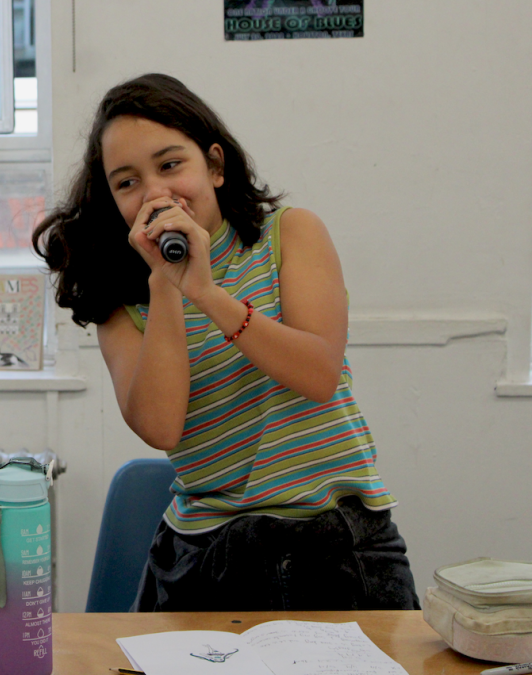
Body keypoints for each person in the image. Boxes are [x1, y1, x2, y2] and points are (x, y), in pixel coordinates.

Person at [33, 74, 418, 612]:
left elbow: (317, 374)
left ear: (214, 166)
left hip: (332, 541)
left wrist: (207, 292)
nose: (155, 193)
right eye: (127, 182)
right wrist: (166, 285)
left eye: (170, 165)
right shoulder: (122, 305)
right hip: (203, 555)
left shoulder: (290, 234)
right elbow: (161, 426)